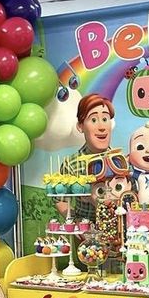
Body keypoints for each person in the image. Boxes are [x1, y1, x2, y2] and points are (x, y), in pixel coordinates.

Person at [57, 93, 115, 221]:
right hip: (85, 234)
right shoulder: (71, 163)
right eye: (93, 120)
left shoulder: (119, 161)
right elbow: (59, 199)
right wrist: (76, 221)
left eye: (105, 119)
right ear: (80, 126)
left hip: (116, 233)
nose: (101, 127)